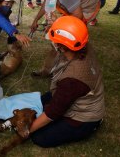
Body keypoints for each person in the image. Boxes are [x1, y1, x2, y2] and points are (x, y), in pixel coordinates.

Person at [29, 16, 105, 147]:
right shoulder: (82, 45)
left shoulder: (72, 80)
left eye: (55, 42)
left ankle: (94, 125)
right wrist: (57, 27)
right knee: (40, 101)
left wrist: (27, 131)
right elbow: (71, 34)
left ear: (62, 47)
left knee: (39, 136)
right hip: (82, 96)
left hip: (85, 118)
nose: (53, 44)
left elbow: (53, 113)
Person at [27, 0, 100, 77]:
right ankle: (48, 70)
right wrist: (36, 20)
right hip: (77, 6)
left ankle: (70, 72)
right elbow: (48, 3)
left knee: (67, 42)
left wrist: (56, 26)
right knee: (56, 41)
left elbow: (77, 17)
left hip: (88, 8)